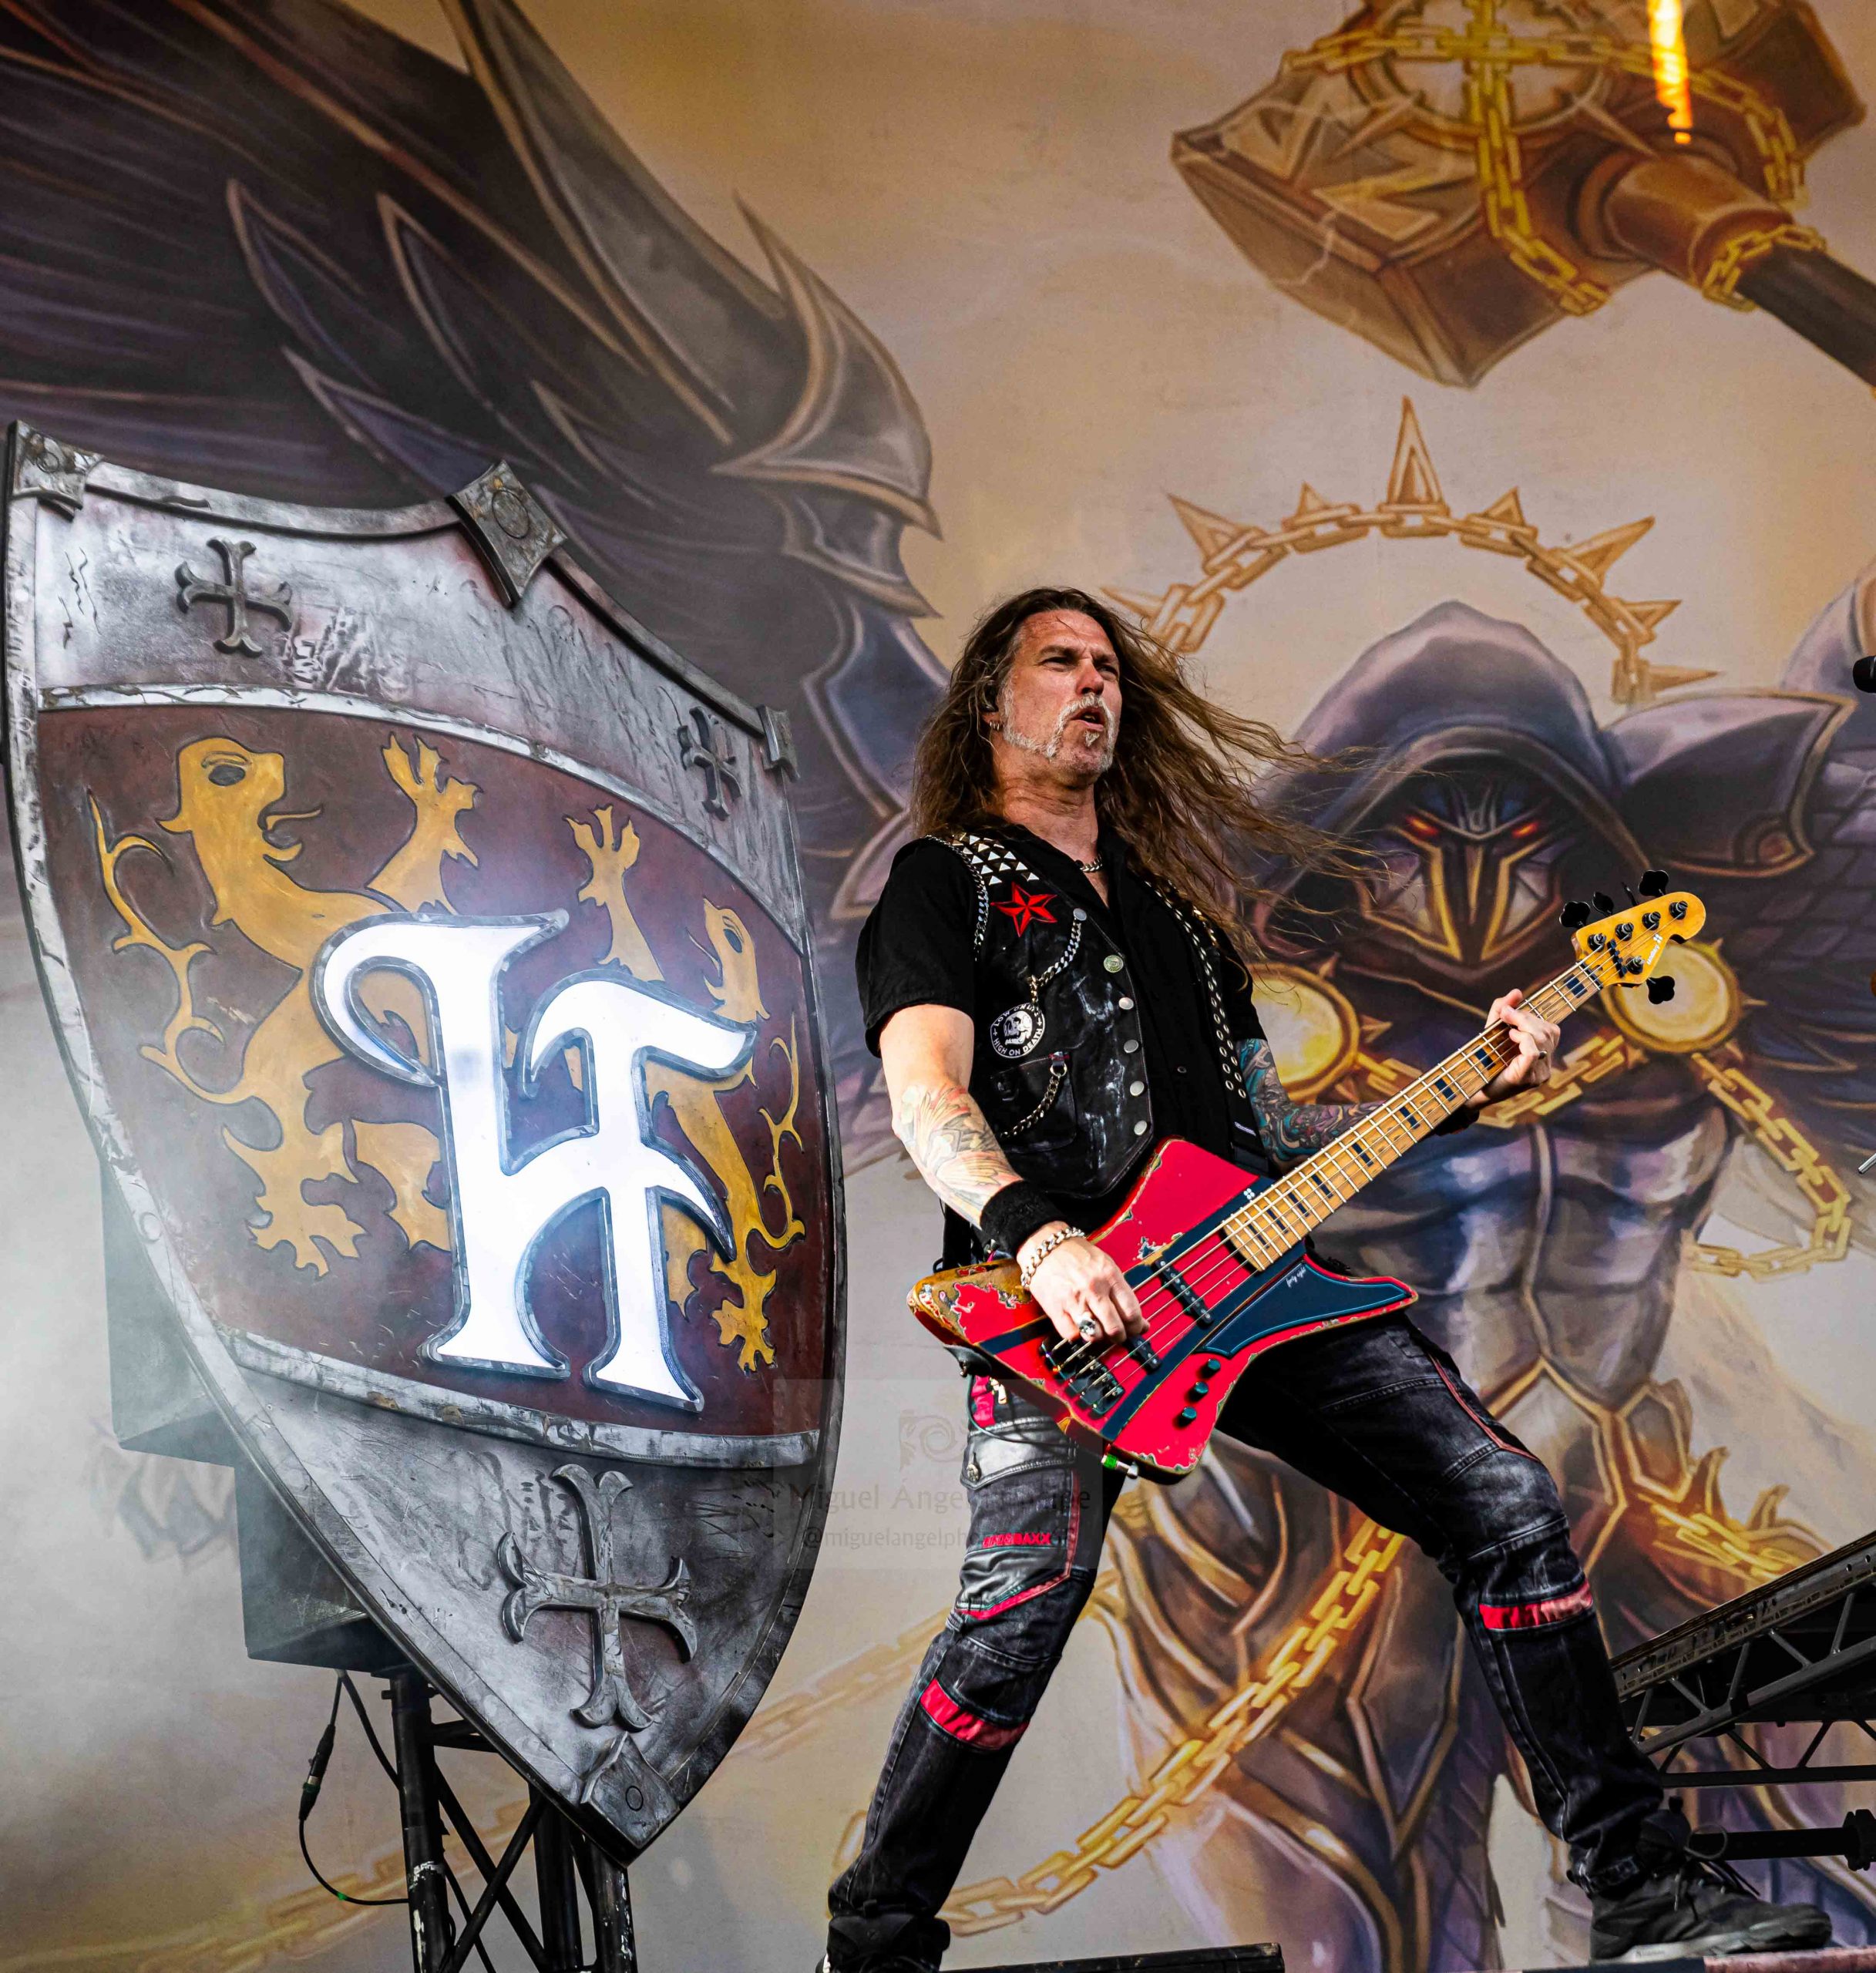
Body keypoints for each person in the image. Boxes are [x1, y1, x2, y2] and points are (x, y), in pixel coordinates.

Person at [819, 587, 1834, 1973]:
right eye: (1059, 662)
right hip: (1052, 1306)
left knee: (1503, 1503)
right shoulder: (948, 884)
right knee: (1017, 1613)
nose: (1094, 683)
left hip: (1248, 1281)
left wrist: (1472, 1083)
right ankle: (876, 1938)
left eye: (1108, 665)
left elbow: (1269, 1137)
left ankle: (1637, 1882)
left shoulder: (1180, 924)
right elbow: (926, 1092)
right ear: (992, 703)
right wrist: (1041, 1240)